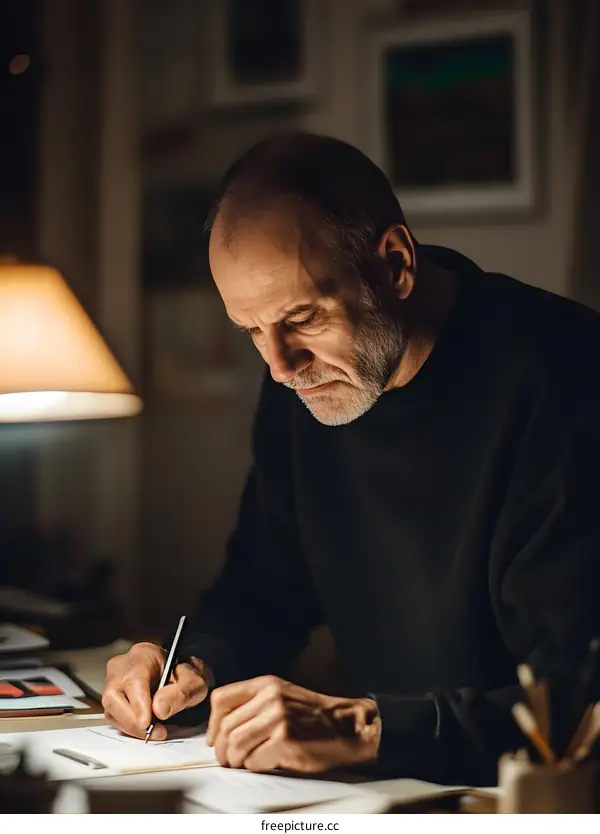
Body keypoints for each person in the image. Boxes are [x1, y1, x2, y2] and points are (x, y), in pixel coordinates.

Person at [103, 133, 600, 785]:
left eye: (302, 317)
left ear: (395, 264)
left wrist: (366, 728)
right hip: (381, 792)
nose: (279, 366)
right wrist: (192, 664)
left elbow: (579, 709)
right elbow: (266, 583)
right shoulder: (306, 379)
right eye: (251, 330)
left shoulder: (567, 381)